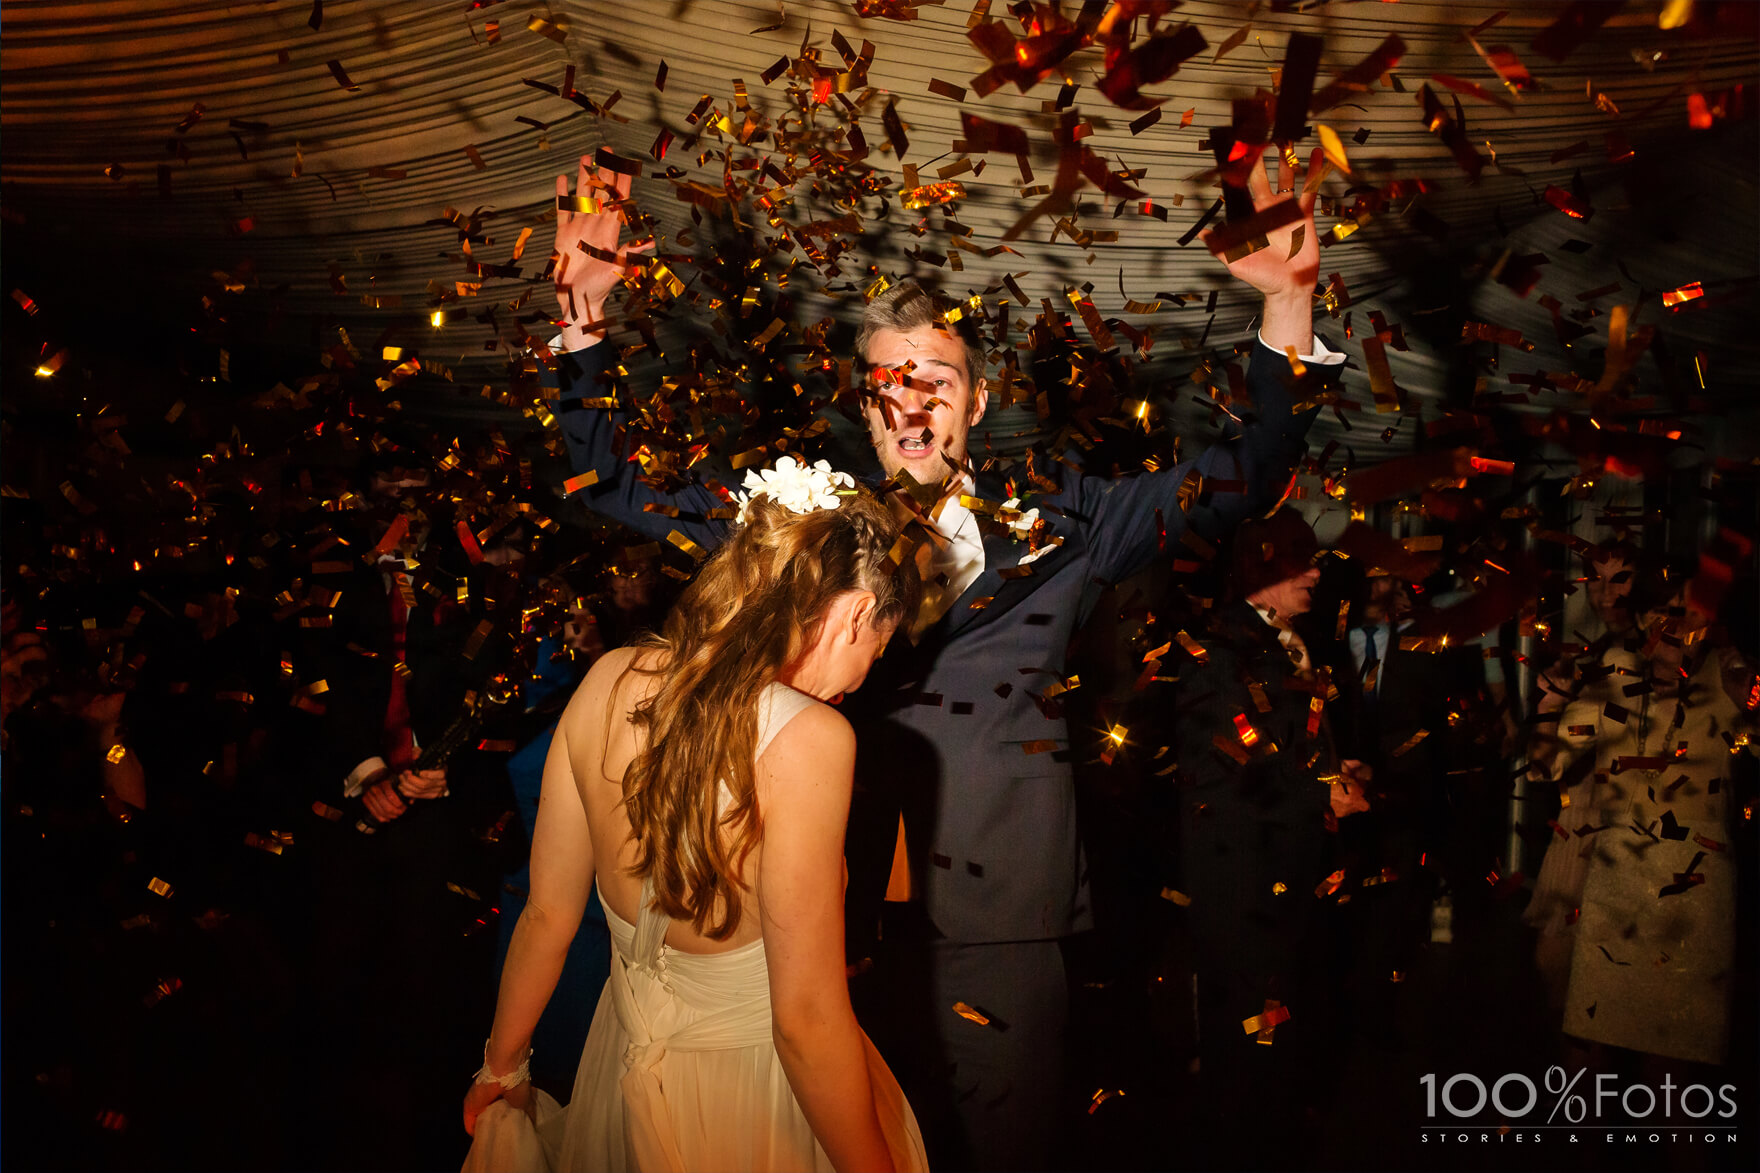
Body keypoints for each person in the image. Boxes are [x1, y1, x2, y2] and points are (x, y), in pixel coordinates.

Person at [546, 145, 1338, 1168]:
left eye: (937, 381)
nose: (912, 403)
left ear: (973, 402)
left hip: (1003, 919)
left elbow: (1246, 470)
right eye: (888, 384)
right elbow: (603, 478)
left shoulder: (1069, 520)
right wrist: (583, 318)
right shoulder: (791, 520)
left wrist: (1286, 306)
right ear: (864, 409)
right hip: (811, 922)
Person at [460, 472, 928, 1172]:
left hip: (616, 1073)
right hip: (750, 1102)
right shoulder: (813, 737)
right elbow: (804, 1022)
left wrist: (499, 1068)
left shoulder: (607, 678)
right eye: (875, 651)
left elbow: (547, 914)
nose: (857, 680)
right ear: (857, 613)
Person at [1170, 507, 1372, 1166]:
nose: (1315, 572)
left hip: (1293, 874)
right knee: (1246, 1040)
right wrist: (1317, 791)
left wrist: (1336, 769)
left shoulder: (1300, 640)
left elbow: (1289, 744)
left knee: (1284, 1034)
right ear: (1260, 569)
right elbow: (1214, 770)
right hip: (1241, 882)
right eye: (1299, 560)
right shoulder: (1216, 648)